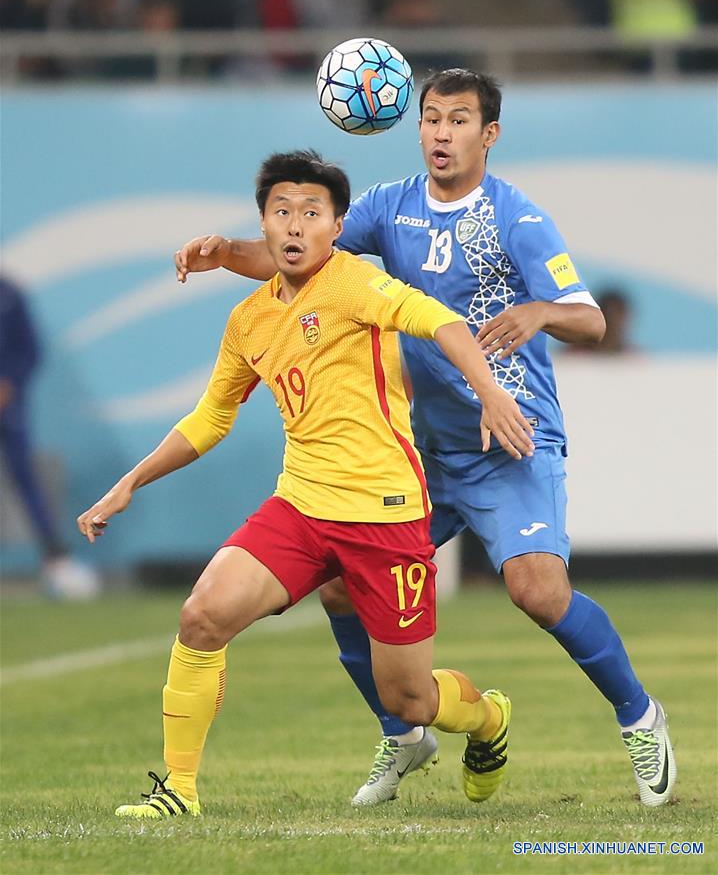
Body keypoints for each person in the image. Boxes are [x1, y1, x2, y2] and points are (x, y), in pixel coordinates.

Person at [174, 70, 677, 810]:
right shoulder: (389, 206)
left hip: (507, 439)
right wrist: (224, 252)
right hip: (419, 454)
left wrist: (539, 312)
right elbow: (297, 250)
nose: (442, 133)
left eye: (459, 120)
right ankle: (402, 732)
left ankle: (638, 714)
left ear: (489, 134)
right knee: (338, 582)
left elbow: (592, 321)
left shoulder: (518, 219)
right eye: (431, 118)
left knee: (537, 591)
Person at [78, 149, 536, 819]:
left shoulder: (356, 284)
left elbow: (440, 322)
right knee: (202, 615)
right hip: (300, 506)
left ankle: (489, 718)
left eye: (312, 212)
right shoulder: (249, 320)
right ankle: (178, 789)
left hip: (385, 513)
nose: (295, 225)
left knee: (410, 701)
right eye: (282, 210)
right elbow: (211, 417)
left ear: (337, 227)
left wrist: (489, 391)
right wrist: (130, 482)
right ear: (263, 222)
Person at [0, 274, 100, 600]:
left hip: (9, 406)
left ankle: (56, 560)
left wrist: (9, 384)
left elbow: (30, 350)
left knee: (26, 479)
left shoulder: (9, 294)